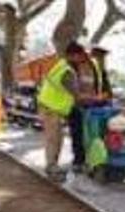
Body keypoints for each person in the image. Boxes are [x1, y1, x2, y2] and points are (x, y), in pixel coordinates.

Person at [37, 41, 83, 181]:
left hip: (50, 107)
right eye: (79, 56)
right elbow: (75, 94)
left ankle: (53, 166)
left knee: (58, 138)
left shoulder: (62, 66)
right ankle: (51, 167)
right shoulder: (67, 72)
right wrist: (91, 101)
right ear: (72, 55)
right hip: (51, 108)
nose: (81, 59)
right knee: (54, 139)